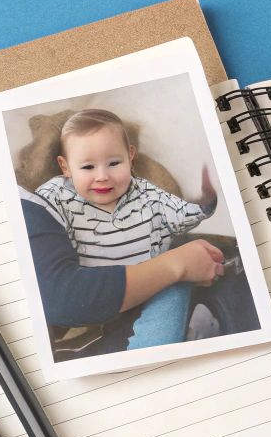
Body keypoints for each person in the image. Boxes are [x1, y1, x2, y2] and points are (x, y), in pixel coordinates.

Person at [31, 108, 220, 350]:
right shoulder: (58, 195)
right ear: (65, 167)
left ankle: (158, 346)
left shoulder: (145, 193)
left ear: (130, 156)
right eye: (87, 167)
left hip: (153, 283)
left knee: (175, 290)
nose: (102, 176)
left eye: (114, 163)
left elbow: (178, 214)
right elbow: (39, 219)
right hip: (97, 294)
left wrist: (204, 204)